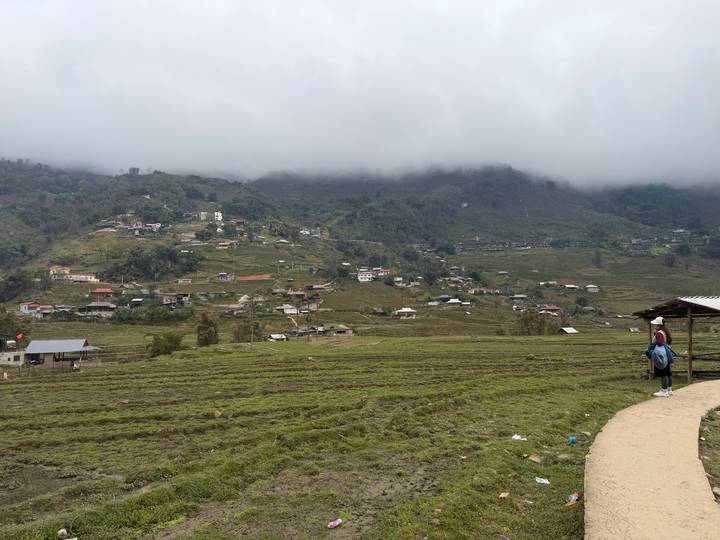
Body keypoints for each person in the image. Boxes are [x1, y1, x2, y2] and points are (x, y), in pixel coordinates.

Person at [645, 316, 674, 397]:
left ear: (658, 325)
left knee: (663, 372)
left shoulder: (659, 333)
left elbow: (660, 343)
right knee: (668, 372)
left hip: (660, 355)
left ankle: (664, 391)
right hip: (666, 353)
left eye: (655, 324)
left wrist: (655, 340)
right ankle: (669, 389)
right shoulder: (665, 332)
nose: (654, 325)